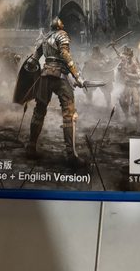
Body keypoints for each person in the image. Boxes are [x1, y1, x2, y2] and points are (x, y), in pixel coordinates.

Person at [25, 17, 85, 167]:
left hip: (45, 75)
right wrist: (77, 76)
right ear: (60, 26)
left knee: (39, 111)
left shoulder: (44, 38)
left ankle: (31, 147)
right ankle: (70, 154)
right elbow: (66, 55)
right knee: (69, 113)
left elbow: (33, 60)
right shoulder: (61, 35)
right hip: (60, 76)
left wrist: (30, 68)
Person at [118, 47, 140, 125]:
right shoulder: (124, 64)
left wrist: (129, 75)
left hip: (134, 86)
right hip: (127, 86)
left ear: (130, 56)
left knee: (136, 105)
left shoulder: (135, 64)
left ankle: (138, 122)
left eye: (127, 55)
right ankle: (127, 117)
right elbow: (120, 72)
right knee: (122, 101)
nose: (126, 57)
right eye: (125, 55)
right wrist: (120, 69)